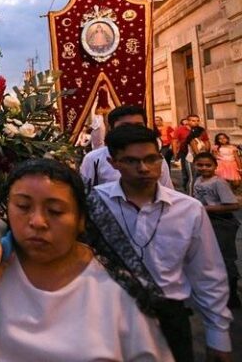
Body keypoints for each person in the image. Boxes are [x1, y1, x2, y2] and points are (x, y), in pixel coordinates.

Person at [0, 158, 172, 360]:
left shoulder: (118, 288)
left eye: (56, 210)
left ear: (81, 219)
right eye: (23, 206)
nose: (37, 221)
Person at [95, 125, 233, 361]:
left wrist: (218, 334)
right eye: (131, 161)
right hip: (105, 319)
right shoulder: (95, 203)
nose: (144, 168)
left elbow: (207, 273)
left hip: (169, 318)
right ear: (113, 162)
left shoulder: (189, 209)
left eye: (151, 159)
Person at [80, 105, 174, 189]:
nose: (132, 131)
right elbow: (84, 194)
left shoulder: (157, 159)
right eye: (125, 126)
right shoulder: (94, 159)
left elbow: (168, 192)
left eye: (138, 126)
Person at [192, 152, 240, 309]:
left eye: (208, 165)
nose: (204, 168)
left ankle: (232, 295)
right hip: (206, 222)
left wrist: (207, 208)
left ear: (215, 166)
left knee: (225, 257)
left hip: (223, 223)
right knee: (210, 257)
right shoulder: (198, 180)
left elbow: (234, 205)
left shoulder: (219, 182)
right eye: (200, 165)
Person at [173, 114, 210, 191]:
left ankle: (196, 189)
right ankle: (187, 188)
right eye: (193, 121)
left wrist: (207, 152)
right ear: (188, 121)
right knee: (186, 174)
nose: (196, 122)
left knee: (196, 174)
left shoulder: (201, 130)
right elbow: (175, 141)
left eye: (197, 120)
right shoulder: (180, 129)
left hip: (197, 155)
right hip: (185, 153)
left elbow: (206, 140)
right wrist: (175, 153)